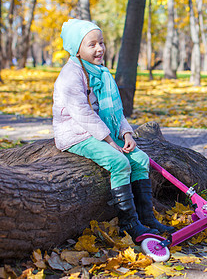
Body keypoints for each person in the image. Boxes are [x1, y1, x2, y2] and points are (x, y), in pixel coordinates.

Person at [52, 19, 174, 239]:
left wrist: (126, 133)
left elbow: (114, 111)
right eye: (92, 44)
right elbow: (83, 115)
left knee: (141, 159)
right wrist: (110, 142)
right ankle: (128, 223)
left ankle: (146, 219)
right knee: (119, 162)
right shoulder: (70, 76)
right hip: (76, 133)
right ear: (76, 49)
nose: (99, 48)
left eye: (101, 43)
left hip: (100, 129)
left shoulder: (102, 73)